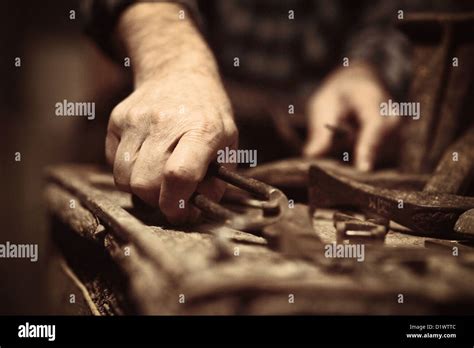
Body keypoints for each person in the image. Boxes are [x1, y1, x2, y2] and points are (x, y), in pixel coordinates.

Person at [83, 0, 411, 224]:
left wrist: (367, 69)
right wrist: (174, 64)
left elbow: (400, 12)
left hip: (314, 147)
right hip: (159, 141)